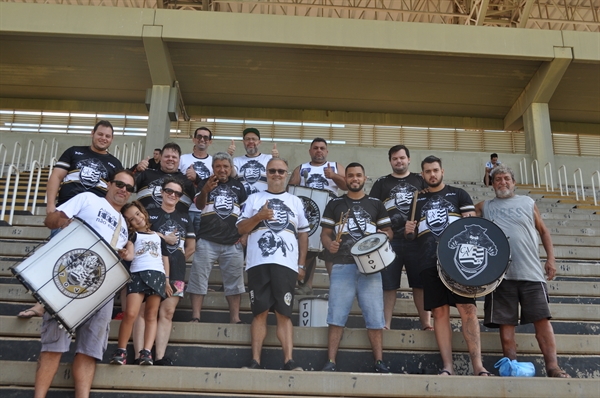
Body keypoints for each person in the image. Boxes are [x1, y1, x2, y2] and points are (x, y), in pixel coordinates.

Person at [34, 170, 133, 398]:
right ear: (109, 184)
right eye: (119, 183)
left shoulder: (124, 225)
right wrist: (59, 220)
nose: (123, 189)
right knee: (53, 347)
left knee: (90, 350)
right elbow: (51, 221)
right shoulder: (87, 198)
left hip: (101, 290)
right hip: (68, 280)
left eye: (128, 187)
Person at [18, 120, 123, 319]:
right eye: (100, 134)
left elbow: (116, 191)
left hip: (94, 221)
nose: (103, 138)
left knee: (83, 264)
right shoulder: (74, 151)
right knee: (57, 258)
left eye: (108, 136)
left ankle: (70, 309)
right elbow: (56, 177)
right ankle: (40, 304)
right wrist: (51, 208)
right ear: (93, 133)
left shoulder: (115, 164)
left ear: (112, 139)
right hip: (67, 214)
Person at [475, 165, 571, 378]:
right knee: (506, 325)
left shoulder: (528, 202)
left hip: (531, 272)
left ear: (514, 181)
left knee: (542, 322)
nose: (502, 182)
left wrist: (551, 259)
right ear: (492, 183)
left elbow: (543, 231)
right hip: (501, 275)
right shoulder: (485, 206)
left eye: (506, 178)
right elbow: (463, 216)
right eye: (497, 179)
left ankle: (553, 367)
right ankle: (512, 368)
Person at [405, 156, 491, 376]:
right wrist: (409, 231)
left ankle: (478, 366)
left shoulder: (459, 194)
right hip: (427, 261)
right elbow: (412, 235)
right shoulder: (417, 199)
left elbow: (471, 225)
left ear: (442, 171)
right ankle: (448, 367)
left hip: (458, 262)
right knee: (439, 312)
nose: (432, 174)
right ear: (422, 175)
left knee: (468, 310)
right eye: (427, 171)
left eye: (435, 170)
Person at [320, 163, 393, 373]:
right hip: (342, 264)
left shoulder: (376, 204)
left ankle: (379, 361)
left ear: (364, 177)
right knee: (336, 315)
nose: (354, 178)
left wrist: (383, 236)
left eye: (358, 175)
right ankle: (331, 361)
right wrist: (329, 244)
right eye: (350, 175)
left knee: (375, 316)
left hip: (370, 267)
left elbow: (388, 231)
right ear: (346, 178)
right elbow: (325, 233)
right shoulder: (335, 203)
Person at [237, 158, 309, 371]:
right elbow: (241, 229)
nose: (276, 174)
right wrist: (259, 216)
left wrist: (302, 264)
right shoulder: (253, 199)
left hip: (286, 264)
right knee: (259, 312)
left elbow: (303, 234)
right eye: (272, 170)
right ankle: (255, 361)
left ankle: (289, 361)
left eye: (281, 171)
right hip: (258, 262)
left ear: (286, 174)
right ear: (266, 173)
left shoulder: (295, 201)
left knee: (284, 313)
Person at [132, 178, 196, 366]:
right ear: (161, 192)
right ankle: (139, 354)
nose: (172, 195)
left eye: (177, 193)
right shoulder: (148, 214)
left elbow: (191, 246)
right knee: (144, 311)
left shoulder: (185, 217)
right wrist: (163, 238)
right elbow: (138, 234)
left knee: (167, 312)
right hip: (149, 268)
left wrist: (176, 260)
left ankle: (159, 356)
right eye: (169, 191)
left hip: (176, 269)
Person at [369, 145, 432, 331]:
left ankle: (426, 324)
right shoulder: (381, 183)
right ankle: (386, 324)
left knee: (419, 284)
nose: (399, 161)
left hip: (417, 239)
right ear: (390, 161)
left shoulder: (421, 180)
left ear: (409, 159)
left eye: (402, 158)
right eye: (395, 158)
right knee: (389, 285)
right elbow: (372, 209)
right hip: (390, 239)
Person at [187, 152, 247, 324]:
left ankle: (235, 319)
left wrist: (244, 235)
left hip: (232, 242)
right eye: (218, 166)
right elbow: (199, 205)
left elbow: (246, 213)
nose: (222, 169)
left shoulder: (238, 186)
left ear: (231, 168)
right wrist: (205, 190)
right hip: (207, 240)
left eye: (226, 166)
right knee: (198, 278)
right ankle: (196, 316)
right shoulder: (206, 182)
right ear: (213, 168)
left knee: (234, 283)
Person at [110, 201, 170, 366]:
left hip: (157, 276)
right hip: (138, 275)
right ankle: (121, 351)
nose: (137, 219)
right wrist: (124, 254)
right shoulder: (133, 236)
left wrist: (166, 280)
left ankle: (146, 352)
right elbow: (130, 255)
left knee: (151, 315)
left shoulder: (158, 237)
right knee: (130, 314)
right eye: (131, 219)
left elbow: (165, 259)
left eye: (137, 213)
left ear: (143, 212)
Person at [288, 138, 347, 295]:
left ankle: (337, 286)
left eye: (322, 148)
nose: (319, 150)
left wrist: (333, 176)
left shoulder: (335, 166)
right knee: (308, 248)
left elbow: (347, 185)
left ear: (326, 151)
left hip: (331, 213)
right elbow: (290, 189)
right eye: (315, 148)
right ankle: (306, 285)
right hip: (310, 213)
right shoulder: (301, 168)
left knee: (330, 250)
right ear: (310, 151)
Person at [134, 142, 195, 213]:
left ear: (179, 160)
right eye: (167, 156)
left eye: (174, 157)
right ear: (160, 159)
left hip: (176, 222)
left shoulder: (187, 180)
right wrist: (137, 170)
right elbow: (129, 188)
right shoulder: (146, 173)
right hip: (145, 221)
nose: (170, 159)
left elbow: (201, 202)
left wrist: (196, 180)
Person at [179, 127, 214, 235]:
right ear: (194, 139)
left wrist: (196, 178)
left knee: (200, 243)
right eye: (199, 136)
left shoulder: (213, 161)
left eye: (205, 137)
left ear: (210, 142)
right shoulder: (183, 159)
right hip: (183, 208)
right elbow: (175, 179)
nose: (202, 139)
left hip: (204, 210)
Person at [228, 127, 279, 195]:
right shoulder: (236, 160)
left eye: (254, 139)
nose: (251, 141)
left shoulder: (269, 158)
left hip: (264, 201)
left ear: (259, 142)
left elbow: (278, 176)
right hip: (243, 202)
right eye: (247, 139)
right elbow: (232, 175)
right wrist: (228, 157)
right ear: (243, 142)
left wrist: (276, 160)